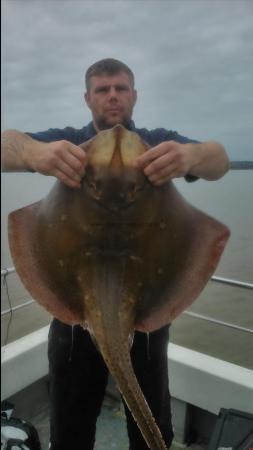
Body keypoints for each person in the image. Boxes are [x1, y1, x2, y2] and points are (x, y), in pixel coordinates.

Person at [1, 58, 229, 450]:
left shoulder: (159, 143)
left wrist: (190, 158)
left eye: (121, 88)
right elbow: (6, 144)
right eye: (103, 89)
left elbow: (220, 160)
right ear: (87, 97)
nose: (112, 96)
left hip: (146, 311)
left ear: (134, 95)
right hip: (72, 319)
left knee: (152, 428)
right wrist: (34, 154)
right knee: (70, 431)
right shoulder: (66, 141)